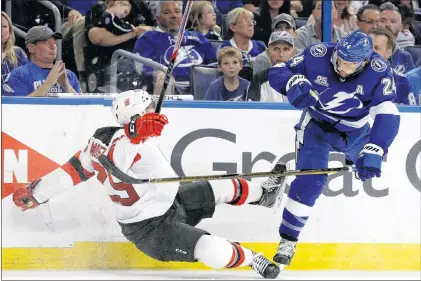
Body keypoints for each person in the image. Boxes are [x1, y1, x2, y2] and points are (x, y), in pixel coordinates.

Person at [12, 89, 286, 279]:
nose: (156, 108)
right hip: (151, 232)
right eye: (150, 107)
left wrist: (37, 193)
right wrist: (136, 132)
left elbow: (71, 172)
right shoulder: (126, 145)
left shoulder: (98, 145)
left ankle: (264, 196)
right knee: (211, 250)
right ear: (137, 116)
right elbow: (123, 153)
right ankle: (251, 259)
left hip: (170, 202)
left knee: (222, 187)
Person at [267, 30, 400, 267]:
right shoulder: (318, 54)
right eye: (340, 59)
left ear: (365, 61)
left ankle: (353, 158)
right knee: (311, 182)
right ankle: (288, 240)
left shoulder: (380, 72)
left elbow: (388, 113)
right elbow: (278, 71)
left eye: (350, 64)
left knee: (369, 165)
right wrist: (292, 83)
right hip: (316, 126)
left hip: (355, 131)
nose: (342, 67)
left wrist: (376, 147)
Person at [133, 1, 216, 95]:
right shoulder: (147, 39)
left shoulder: (198, 38)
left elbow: (214, 65)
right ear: (157, 18)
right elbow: (143, 68)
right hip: (166, 94)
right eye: (167, 12)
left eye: (177, 11)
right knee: (162, 78)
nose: (174, 16)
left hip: (201, 92)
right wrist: (158, 74)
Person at [2, 26, 81, 96]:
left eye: (54, 42)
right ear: (31, 47)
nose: (53, 46)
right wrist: (48, 84)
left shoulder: (69, 75)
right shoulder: (19, 75)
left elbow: (81, 106)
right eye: (46, 42)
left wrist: (66, 86)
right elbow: (18, 107)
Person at [369, 28, 418, 105]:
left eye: (377, 48)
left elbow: (410, 113)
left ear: (388, 53)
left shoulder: (401, 80)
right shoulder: (350, 78)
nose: (370, 52)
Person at [245, 31, 296, 102]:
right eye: (276, 49)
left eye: (286, 49)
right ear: (268, 52)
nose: (281, 55)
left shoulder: (304, 78)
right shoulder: (259, 79)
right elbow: (253, 110)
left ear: (293, 53)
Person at [1, 12, 28, 85]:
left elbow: (28, 81)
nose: (1, 30)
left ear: (10, 31)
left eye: (4, 26)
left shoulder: (18, 53)